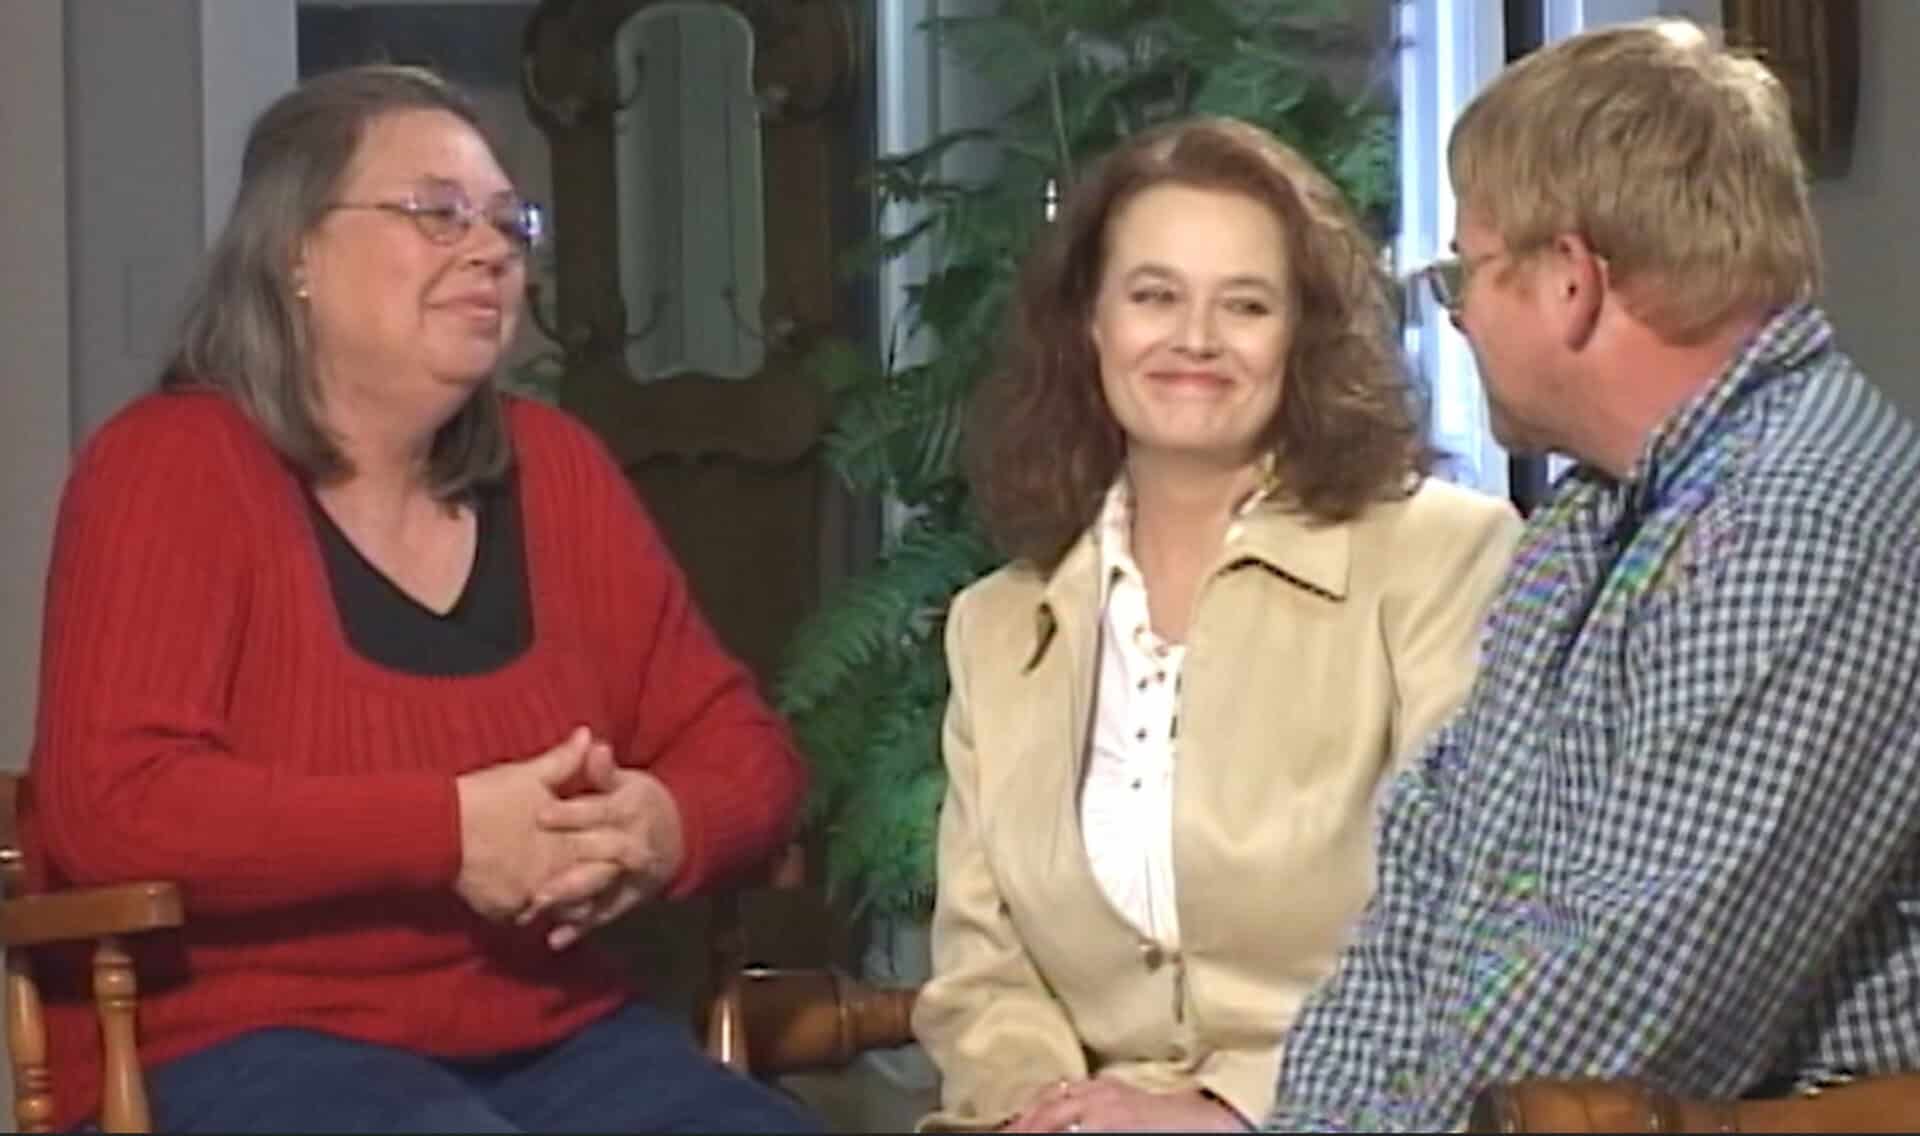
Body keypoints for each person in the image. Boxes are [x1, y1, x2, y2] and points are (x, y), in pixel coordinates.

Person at [22, 64, 819, 1134]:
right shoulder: (169, 468)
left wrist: (667, 824)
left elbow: (748, 750)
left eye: (506, 221)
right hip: (236, 1043)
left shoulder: (558, 469)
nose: (489, 249)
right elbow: (115, 802)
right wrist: (450, 831)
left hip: (559, 1032)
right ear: (296, 251)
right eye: (435, 213)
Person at [1265, 19, 1920, 1132]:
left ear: (1569, 282)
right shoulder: (1590, 513)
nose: (1458, 315)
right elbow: (1428, 877)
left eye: (1463, 272)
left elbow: (1605, 1015)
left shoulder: (1807, 526)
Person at [911, 116, 1522, 1133]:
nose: (1195, 339)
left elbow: (1475, 938)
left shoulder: (1440, 560)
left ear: (1303, 338)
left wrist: (1232, 1110)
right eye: (1153, 296)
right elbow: (983, 976)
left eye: (1245, 304)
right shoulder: (999, 625)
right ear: (1090, 324)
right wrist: (1052, 1113)